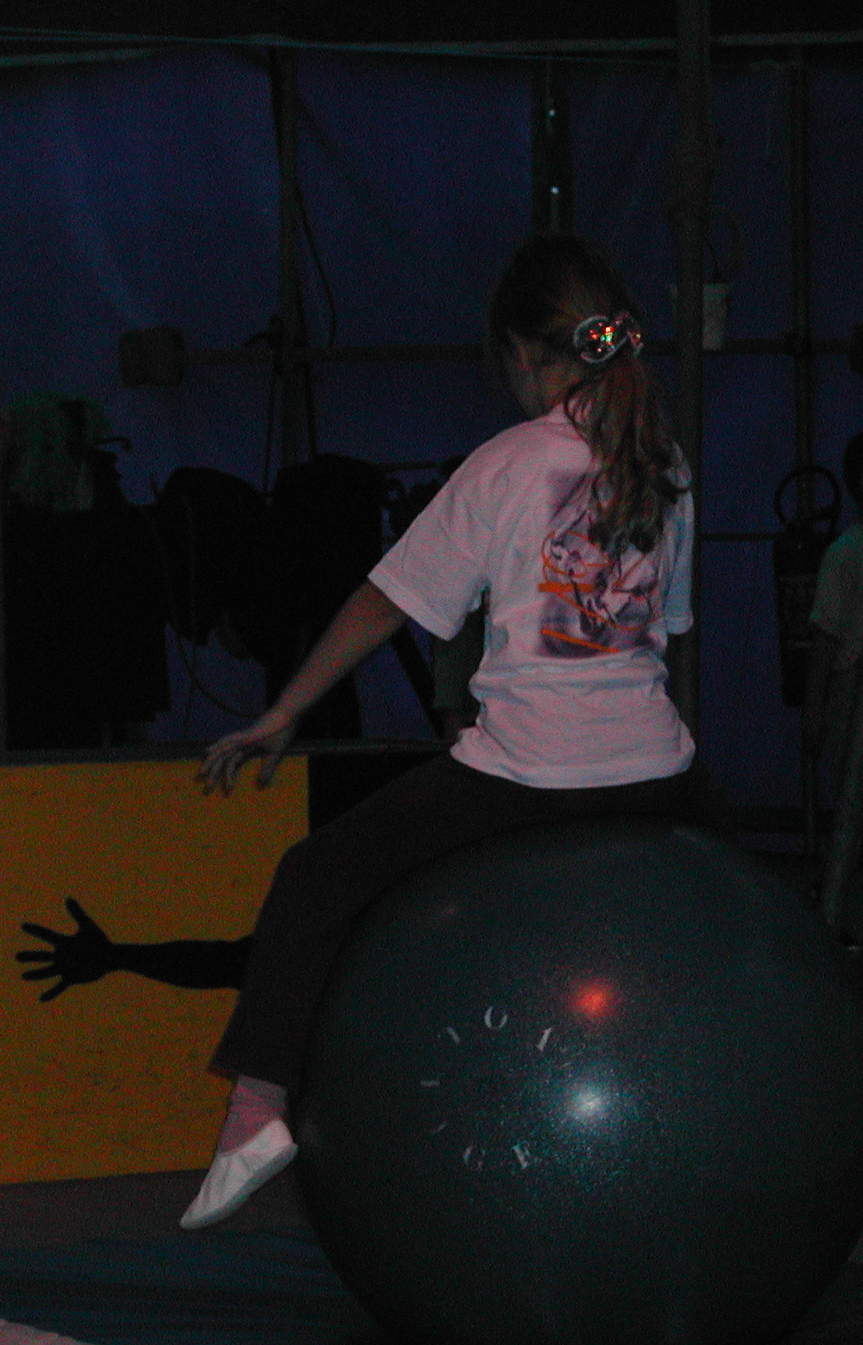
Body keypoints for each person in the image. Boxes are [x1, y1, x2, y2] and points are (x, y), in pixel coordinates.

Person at [180, 233, 715, 1231]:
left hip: (531, 778)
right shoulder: (664, 462)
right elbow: (668, 630)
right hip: (660, 777)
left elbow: (385, 601)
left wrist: (282, 712)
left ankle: (256, 1111)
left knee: (314, 877)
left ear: (521, 354)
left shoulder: (506, 462)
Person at [802, 429, 863, 816]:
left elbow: (826, 636)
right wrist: (815, 710)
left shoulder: (852, 551)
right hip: (853, 692)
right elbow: (826, 639)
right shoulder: (847, 553)